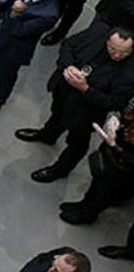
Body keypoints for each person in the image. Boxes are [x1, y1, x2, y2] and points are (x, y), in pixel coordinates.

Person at [16, 23, 134, 183]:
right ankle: (47, 135)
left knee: (77, 143)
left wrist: (85, 89)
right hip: (65, 91)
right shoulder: (97, 32)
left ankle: (60, 169)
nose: (117, 55)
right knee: (56, 114)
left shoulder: (130, 72)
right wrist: (69, 66)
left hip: (87, 110)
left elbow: (115, 102)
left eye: (123, 52)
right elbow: (68, 44)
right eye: (112, 49)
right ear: (107, 40)